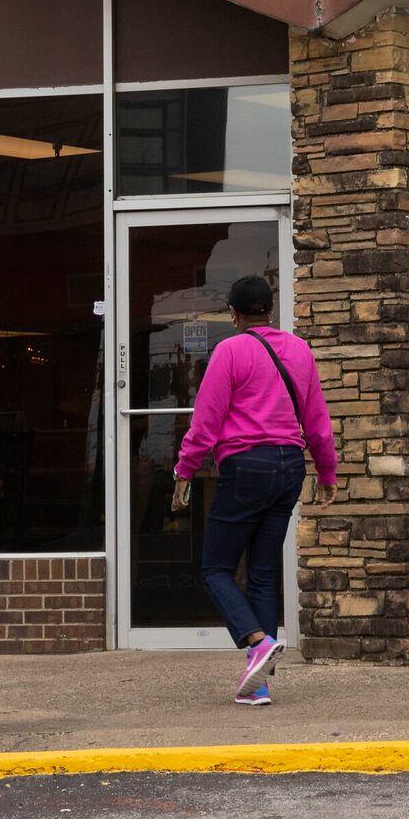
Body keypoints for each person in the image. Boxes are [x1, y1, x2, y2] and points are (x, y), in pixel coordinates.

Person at [171, 273, 336, 706]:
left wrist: (185, 471)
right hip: (289, 467)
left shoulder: (230, 350)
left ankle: (257, 643)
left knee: (215, 568)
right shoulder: (299, 350)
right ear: (270, 309)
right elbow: (317, 419)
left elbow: (206, 421)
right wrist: (327, 472)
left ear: (234, 313)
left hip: (247, 465)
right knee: (262, 572)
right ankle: (258, 684)